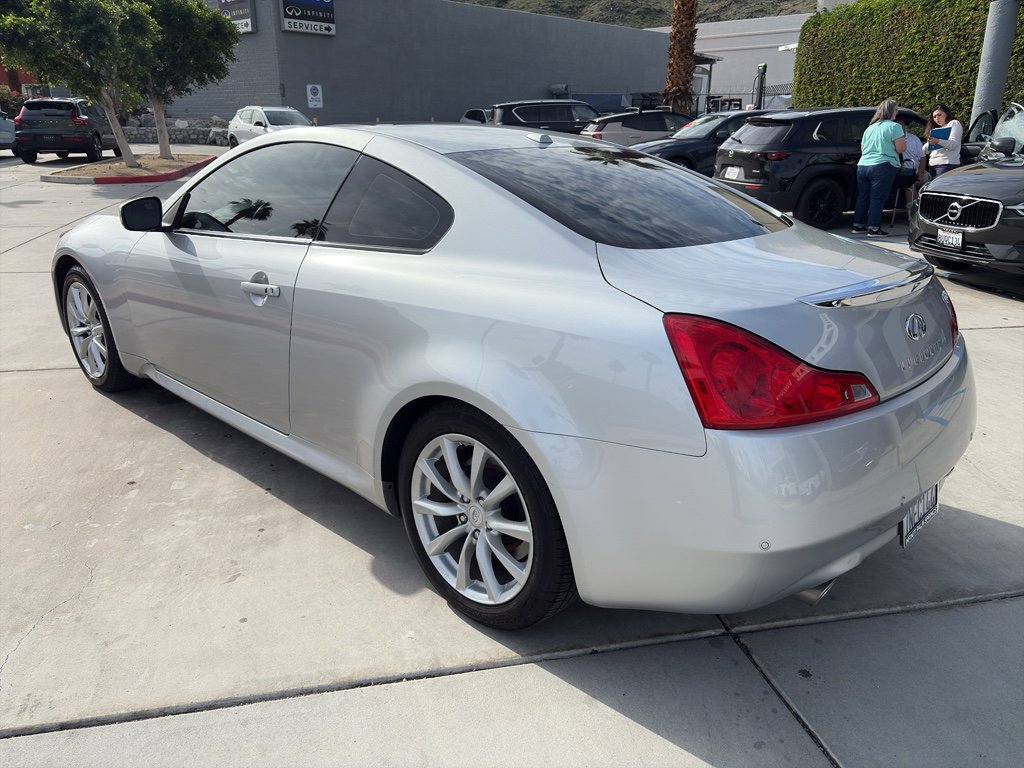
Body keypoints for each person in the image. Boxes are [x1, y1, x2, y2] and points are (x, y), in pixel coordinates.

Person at [852, 99, 906, 237]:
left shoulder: (870, 128)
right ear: (890, 111)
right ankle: (874, 228)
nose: (897, 112)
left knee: (862, 196)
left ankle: (858, 226)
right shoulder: (895, 127)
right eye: (896, 110)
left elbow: (863, 148)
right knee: (877, 198)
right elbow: (900, 149)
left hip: (863, 165)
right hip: (883, 165)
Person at [924, 103, 963, 178]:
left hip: (947, 165)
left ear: (947, 114)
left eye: (939, 115)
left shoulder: (954, 123)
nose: (937, 118)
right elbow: (926, 151)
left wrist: (938, 141)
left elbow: (953, 145)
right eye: (934, 117)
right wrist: (929, 143)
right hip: (932, 165)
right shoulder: (935, 129)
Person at [897, 117, 925, 209]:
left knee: (933, 182)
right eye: (896, 123)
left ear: (905, 124)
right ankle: (912, 212)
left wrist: (921, 174)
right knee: (910, 183)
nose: (899, 126)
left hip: (917, 170)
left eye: (901, 123)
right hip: (902, 172)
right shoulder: (891, 139)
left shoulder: (914, 138)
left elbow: (923, 157)